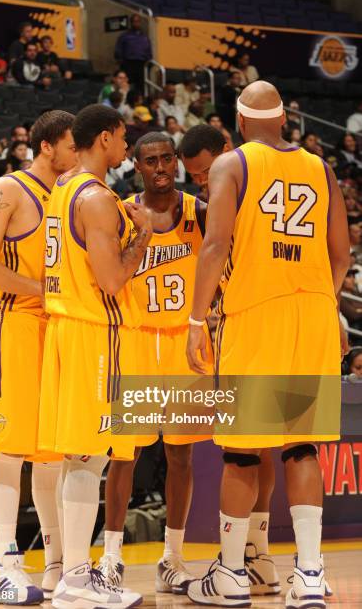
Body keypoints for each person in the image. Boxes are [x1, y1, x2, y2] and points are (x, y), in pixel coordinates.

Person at [185, 81, 349, 608]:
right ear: (284, 119)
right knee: (301, 447)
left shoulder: (232, 165)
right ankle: (308, 574)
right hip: (314, 312)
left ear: (238, 119)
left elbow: (213, 248)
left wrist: (195, 319)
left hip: (256, 316)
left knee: (241, 452)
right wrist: (322, 298)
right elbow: (341, 252)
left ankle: (232, 573)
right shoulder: (321, 169)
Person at [36, 105, 152, 607]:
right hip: (92, 330)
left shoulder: (62, 186)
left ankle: (71, 573)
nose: (127, 148)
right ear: (104, 138)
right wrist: (143, 235)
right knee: (91, 455)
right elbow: (112, 279)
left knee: (76, 456)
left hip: (62, 327)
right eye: (124, 139)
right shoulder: (98, 198)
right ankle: (79, 579)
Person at [96, 132, 212, 593]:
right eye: (151, 160)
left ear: (177, 163)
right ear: (137, 166)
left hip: (185, 344)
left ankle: (172, 557)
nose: (161, 166)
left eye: (167, 158)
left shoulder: (199, 211)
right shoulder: (122, 212)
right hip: (138, 342)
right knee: (124, 454)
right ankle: (110, 557)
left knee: (181, 454)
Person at [0, 110, 76, 605]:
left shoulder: (72, 196)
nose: (78, 154)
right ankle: (4, 565)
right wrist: (45, 289)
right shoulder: (6, 190)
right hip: (14, 325)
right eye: (73, 145)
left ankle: (56, 563)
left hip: (57, 331)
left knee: (52, 456)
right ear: (48, 145)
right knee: (8, 450)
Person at [179, 124, 281, 596]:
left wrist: (199, 322)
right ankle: (256, 556)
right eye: (194, 176)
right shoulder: (228, 194)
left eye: (203, 172)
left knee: (248, 446)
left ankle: (240, 563)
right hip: (266, 321)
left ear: (225, 150)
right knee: (265, 444)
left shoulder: (242, 184)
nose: (201, 181)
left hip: (250, 325)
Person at [114, 13, 152, 92]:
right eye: (134, 21)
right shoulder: (124, 36)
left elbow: (149, 51)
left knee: (141, 87)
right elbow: (118, 50)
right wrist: (121, 61)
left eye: (138, 21)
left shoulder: (144, 37)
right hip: (128, 64)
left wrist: (149, 62)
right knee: (126, 85)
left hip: (141, 64)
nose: (136, 23)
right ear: (131, 23)